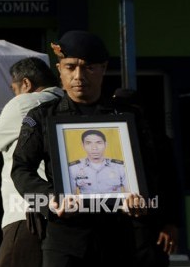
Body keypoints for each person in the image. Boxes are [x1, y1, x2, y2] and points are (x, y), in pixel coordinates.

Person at [11, 30, 180, 267]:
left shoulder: (128, 117)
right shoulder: (42, 117)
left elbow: (163, 167)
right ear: (59, 69)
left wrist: (167, 218)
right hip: (66, 240)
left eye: (89, 67)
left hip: (122, 238)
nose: (78, 76)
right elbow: (21, 170)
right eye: (70, 67)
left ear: (103, 68)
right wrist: (50, 199)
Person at [0, 56, 63, 267]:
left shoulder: (24, 103)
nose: (13, 95)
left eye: (13, 89)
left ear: (26, 83)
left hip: (27, 211)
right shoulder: (66, 101)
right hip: (62, 207)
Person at [68, 129, 128, 194]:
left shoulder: (120, 167)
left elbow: (131, 194)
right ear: (83, 145)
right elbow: (70, 197)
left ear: (105, 144)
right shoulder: (74, 168)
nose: (94, 148)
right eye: (88, 143)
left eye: (99, 143)